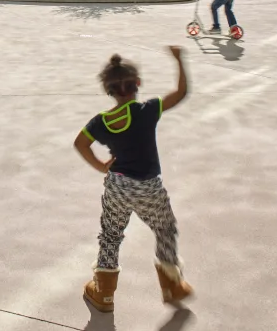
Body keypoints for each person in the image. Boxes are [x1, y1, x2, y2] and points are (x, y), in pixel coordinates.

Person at [74, 48, 192, 313]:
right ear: (137, 84)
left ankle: (103, 293)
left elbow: (80, 143)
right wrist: (179, 60)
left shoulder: (101, 122)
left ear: (109, 91)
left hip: (116, 186)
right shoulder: (147, 111)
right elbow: (181, 92)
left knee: (111, 235)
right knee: (164, 228)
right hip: (148, 188)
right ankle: (172, 285)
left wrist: (101, 167)